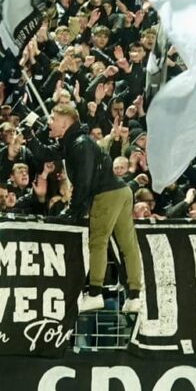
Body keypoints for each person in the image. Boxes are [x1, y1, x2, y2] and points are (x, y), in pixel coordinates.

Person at [50, 102, 142, 313]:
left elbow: (84, 182)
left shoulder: (79, 144)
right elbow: (48, 153)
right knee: (127, 244)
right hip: (122, 190)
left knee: (98, 242)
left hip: (106, 194)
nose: (50, 122)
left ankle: (95, 293)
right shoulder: (77, 141)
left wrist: (73, 210)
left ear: (65, 123)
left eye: (54, 119)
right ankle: (134, 296)